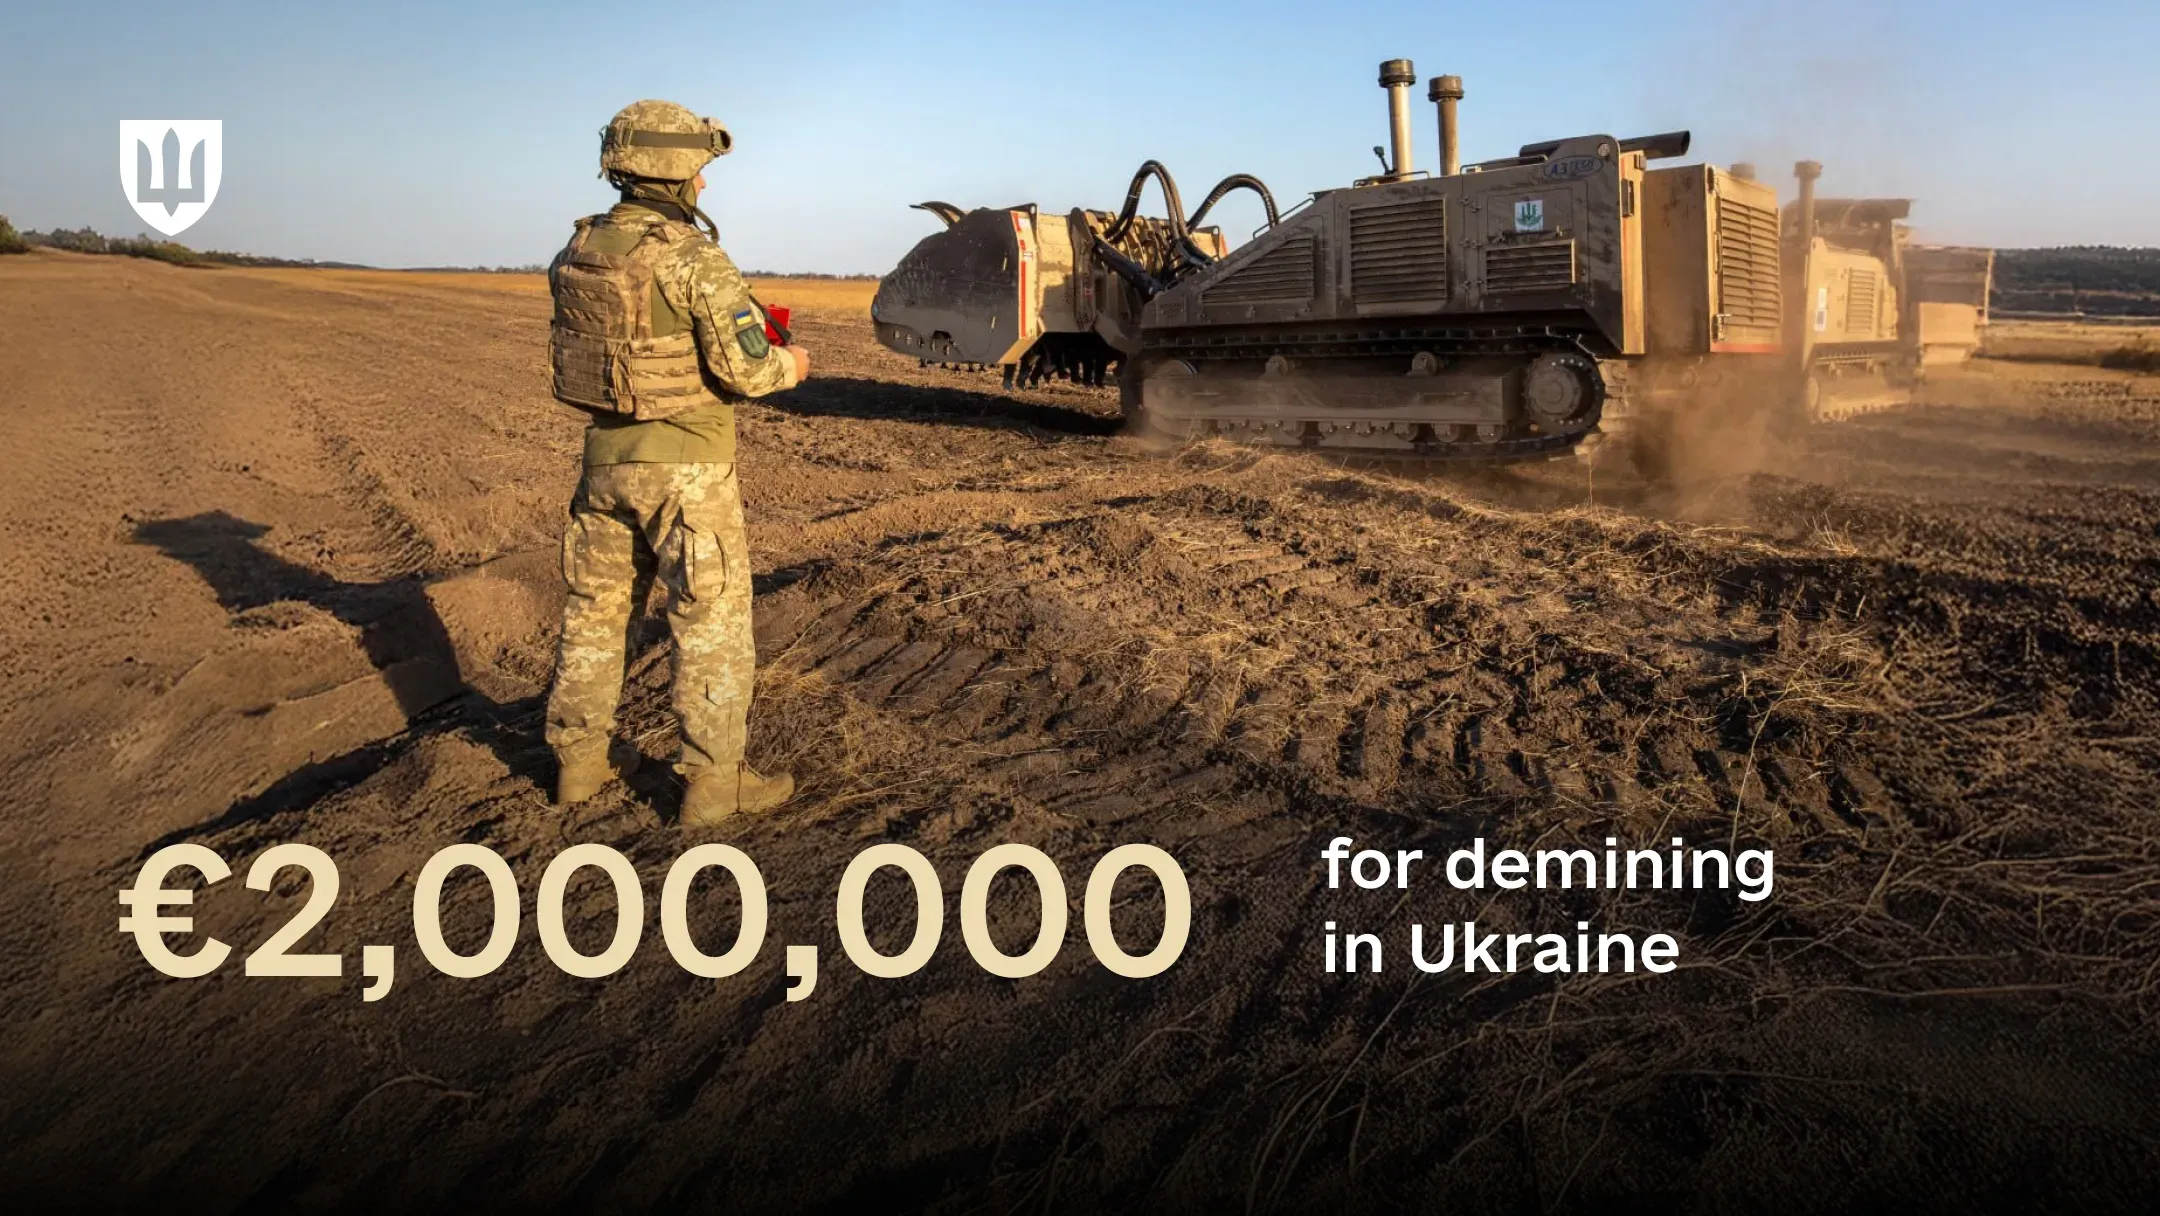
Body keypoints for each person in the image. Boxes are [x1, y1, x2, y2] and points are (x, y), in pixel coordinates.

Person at [542, 99, 809, 826]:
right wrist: (792, 362)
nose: (704, 183)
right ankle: (714, 784)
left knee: (594, 616)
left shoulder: (578, 251)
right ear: (672, 170)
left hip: (603, 465)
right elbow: (746, 372)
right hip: (687, 471)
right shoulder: (692, 256)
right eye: (698, 168)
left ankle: (578, 762)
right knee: (711, 620)